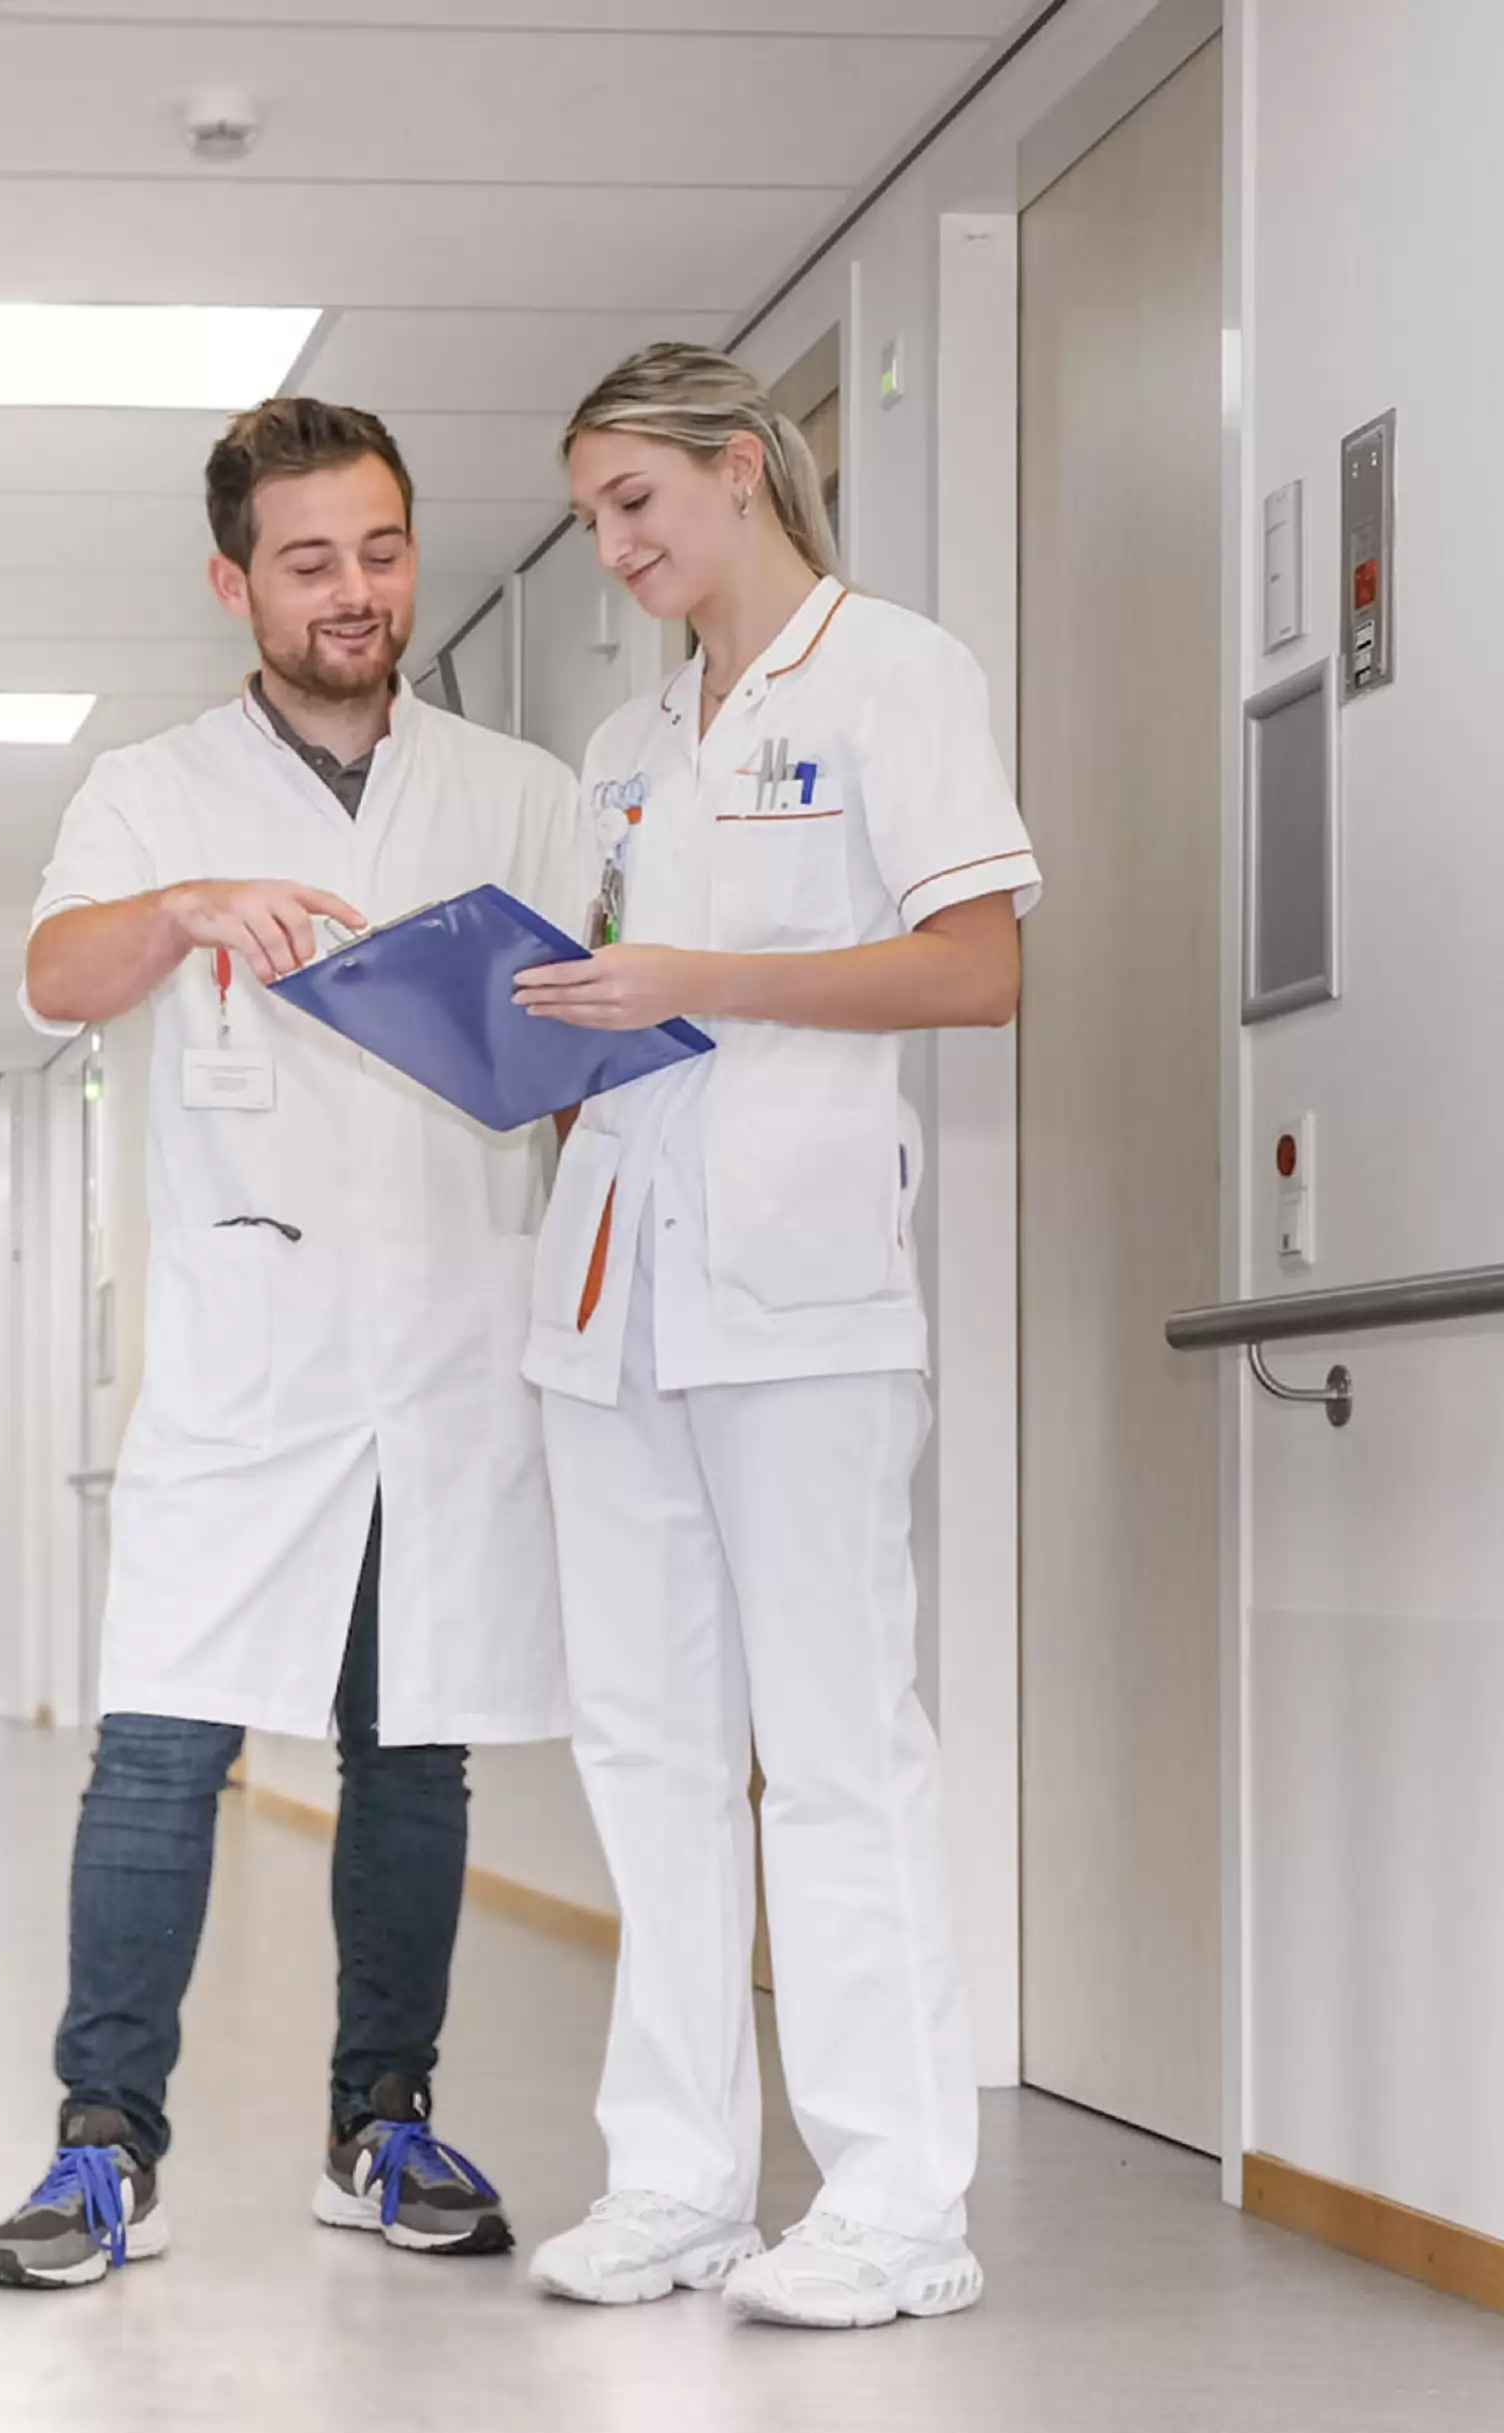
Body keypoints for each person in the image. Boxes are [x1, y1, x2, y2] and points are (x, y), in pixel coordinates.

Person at [0, 396, 590, 2291]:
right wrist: (182, 911)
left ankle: (379, 2122)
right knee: (159, 1749)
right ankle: (104, 2148)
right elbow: (55, 979)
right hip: (249, 1361)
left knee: (413, 1754)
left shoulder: (519, 792)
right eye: (309, 561)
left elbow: (583, 1053)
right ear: (233, 578)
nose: (354, 593)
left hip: (447, 1350)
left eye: (382, 551)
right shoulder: (153, 786)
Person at [516, 343, 1040, 2328]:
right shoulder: (626, 744)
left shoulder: (894, 670)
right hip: (613, 1286)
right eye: (588, 521)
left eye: (635, 502)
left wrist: (692, 973)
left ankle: (900, 2209)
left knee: (833, 1753)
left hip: (803, 1291)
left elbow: (977, 966)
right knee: (648, 1752)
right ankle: (678, 2185)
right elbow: (618, 1001)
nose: (615, 543)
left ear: (744, 471)